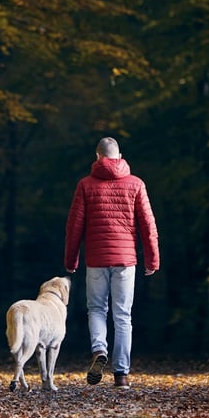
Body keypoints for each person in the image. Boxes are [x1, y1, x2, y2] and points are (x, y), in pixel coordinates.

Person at [64, 136, 159, 389]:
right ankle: (122, 375)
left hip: (96, 259)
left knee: (96, 309)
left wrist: (71, 259)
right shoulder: (136, 184)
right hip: (126, 261)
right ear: (119, 156)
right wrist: (152, 259)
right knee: (123, 316)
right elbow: (148, 226)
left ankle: (98, 350)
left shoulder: (85, 185)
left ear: (98, 157)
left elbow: (74, 227)